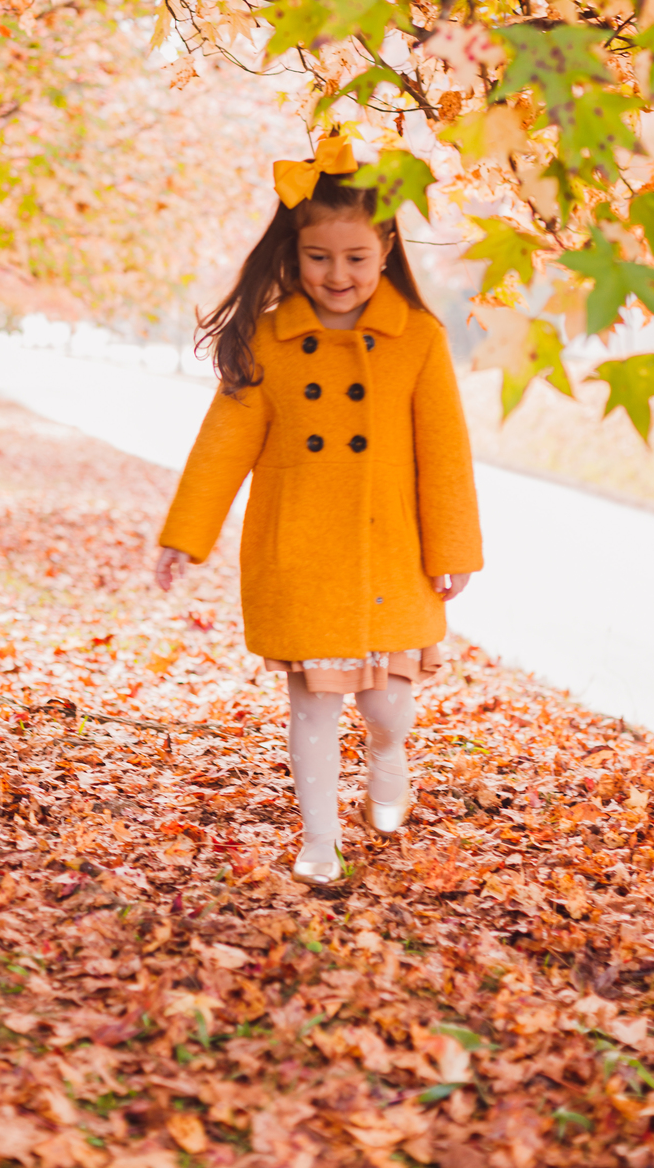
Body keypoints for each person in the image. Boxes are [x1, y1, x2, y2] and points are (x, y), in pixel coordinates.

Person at [153, 132, 482, 885]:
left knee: (387, 708)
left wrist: (454, 549)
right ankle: (319, 839)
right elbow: (221, 447)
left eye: (356, 258)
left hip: (391, 553)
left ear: (387, 250)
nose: (338, 275)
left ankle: (389, 759)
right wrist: (185, 537)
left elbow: (446, 453)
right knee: (311, 707)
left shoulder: (418, 338)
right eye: (319, 257)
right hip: (300, 551)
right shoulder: (269, 339)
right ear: (294, 255)